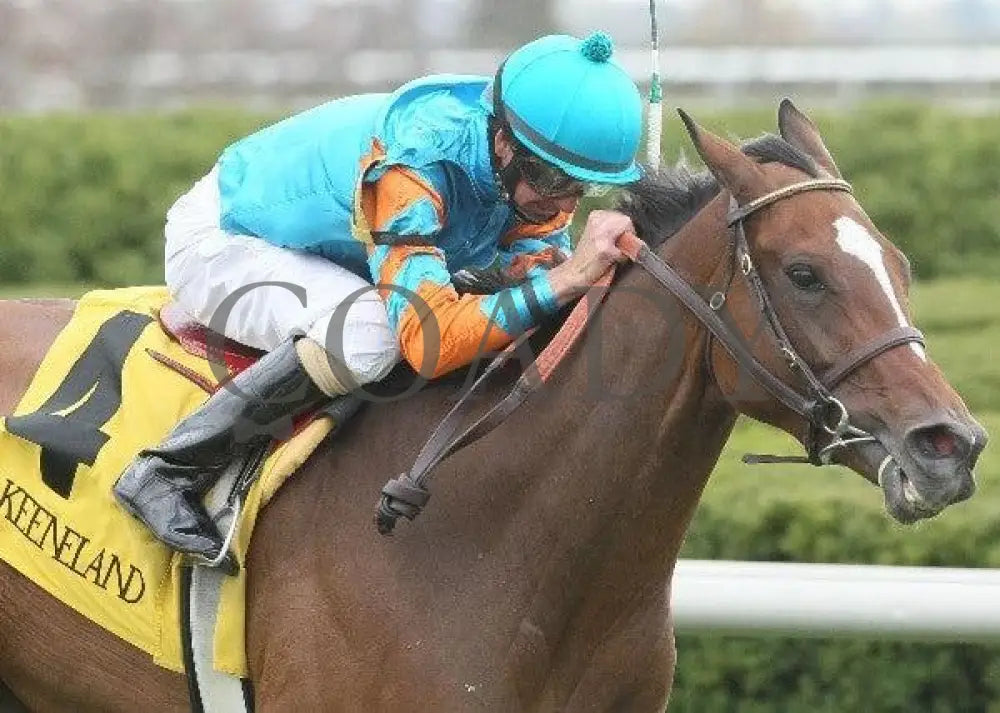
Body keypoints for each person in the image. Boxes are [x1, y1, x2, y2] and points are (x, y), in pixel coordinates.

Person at [114, 31, 644, 569]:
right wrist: (563, 279)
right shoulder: (413, 166)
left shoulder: (526, 170)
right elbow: (430, 344)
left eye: (583, 188)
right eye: (553, 179)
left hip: (328, 249)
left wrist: (562, 271)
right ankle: (168, 469)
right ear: (503, 140)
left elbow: (534, 262)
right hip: (227, 239)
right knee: (372, 333)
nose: (562, 204)